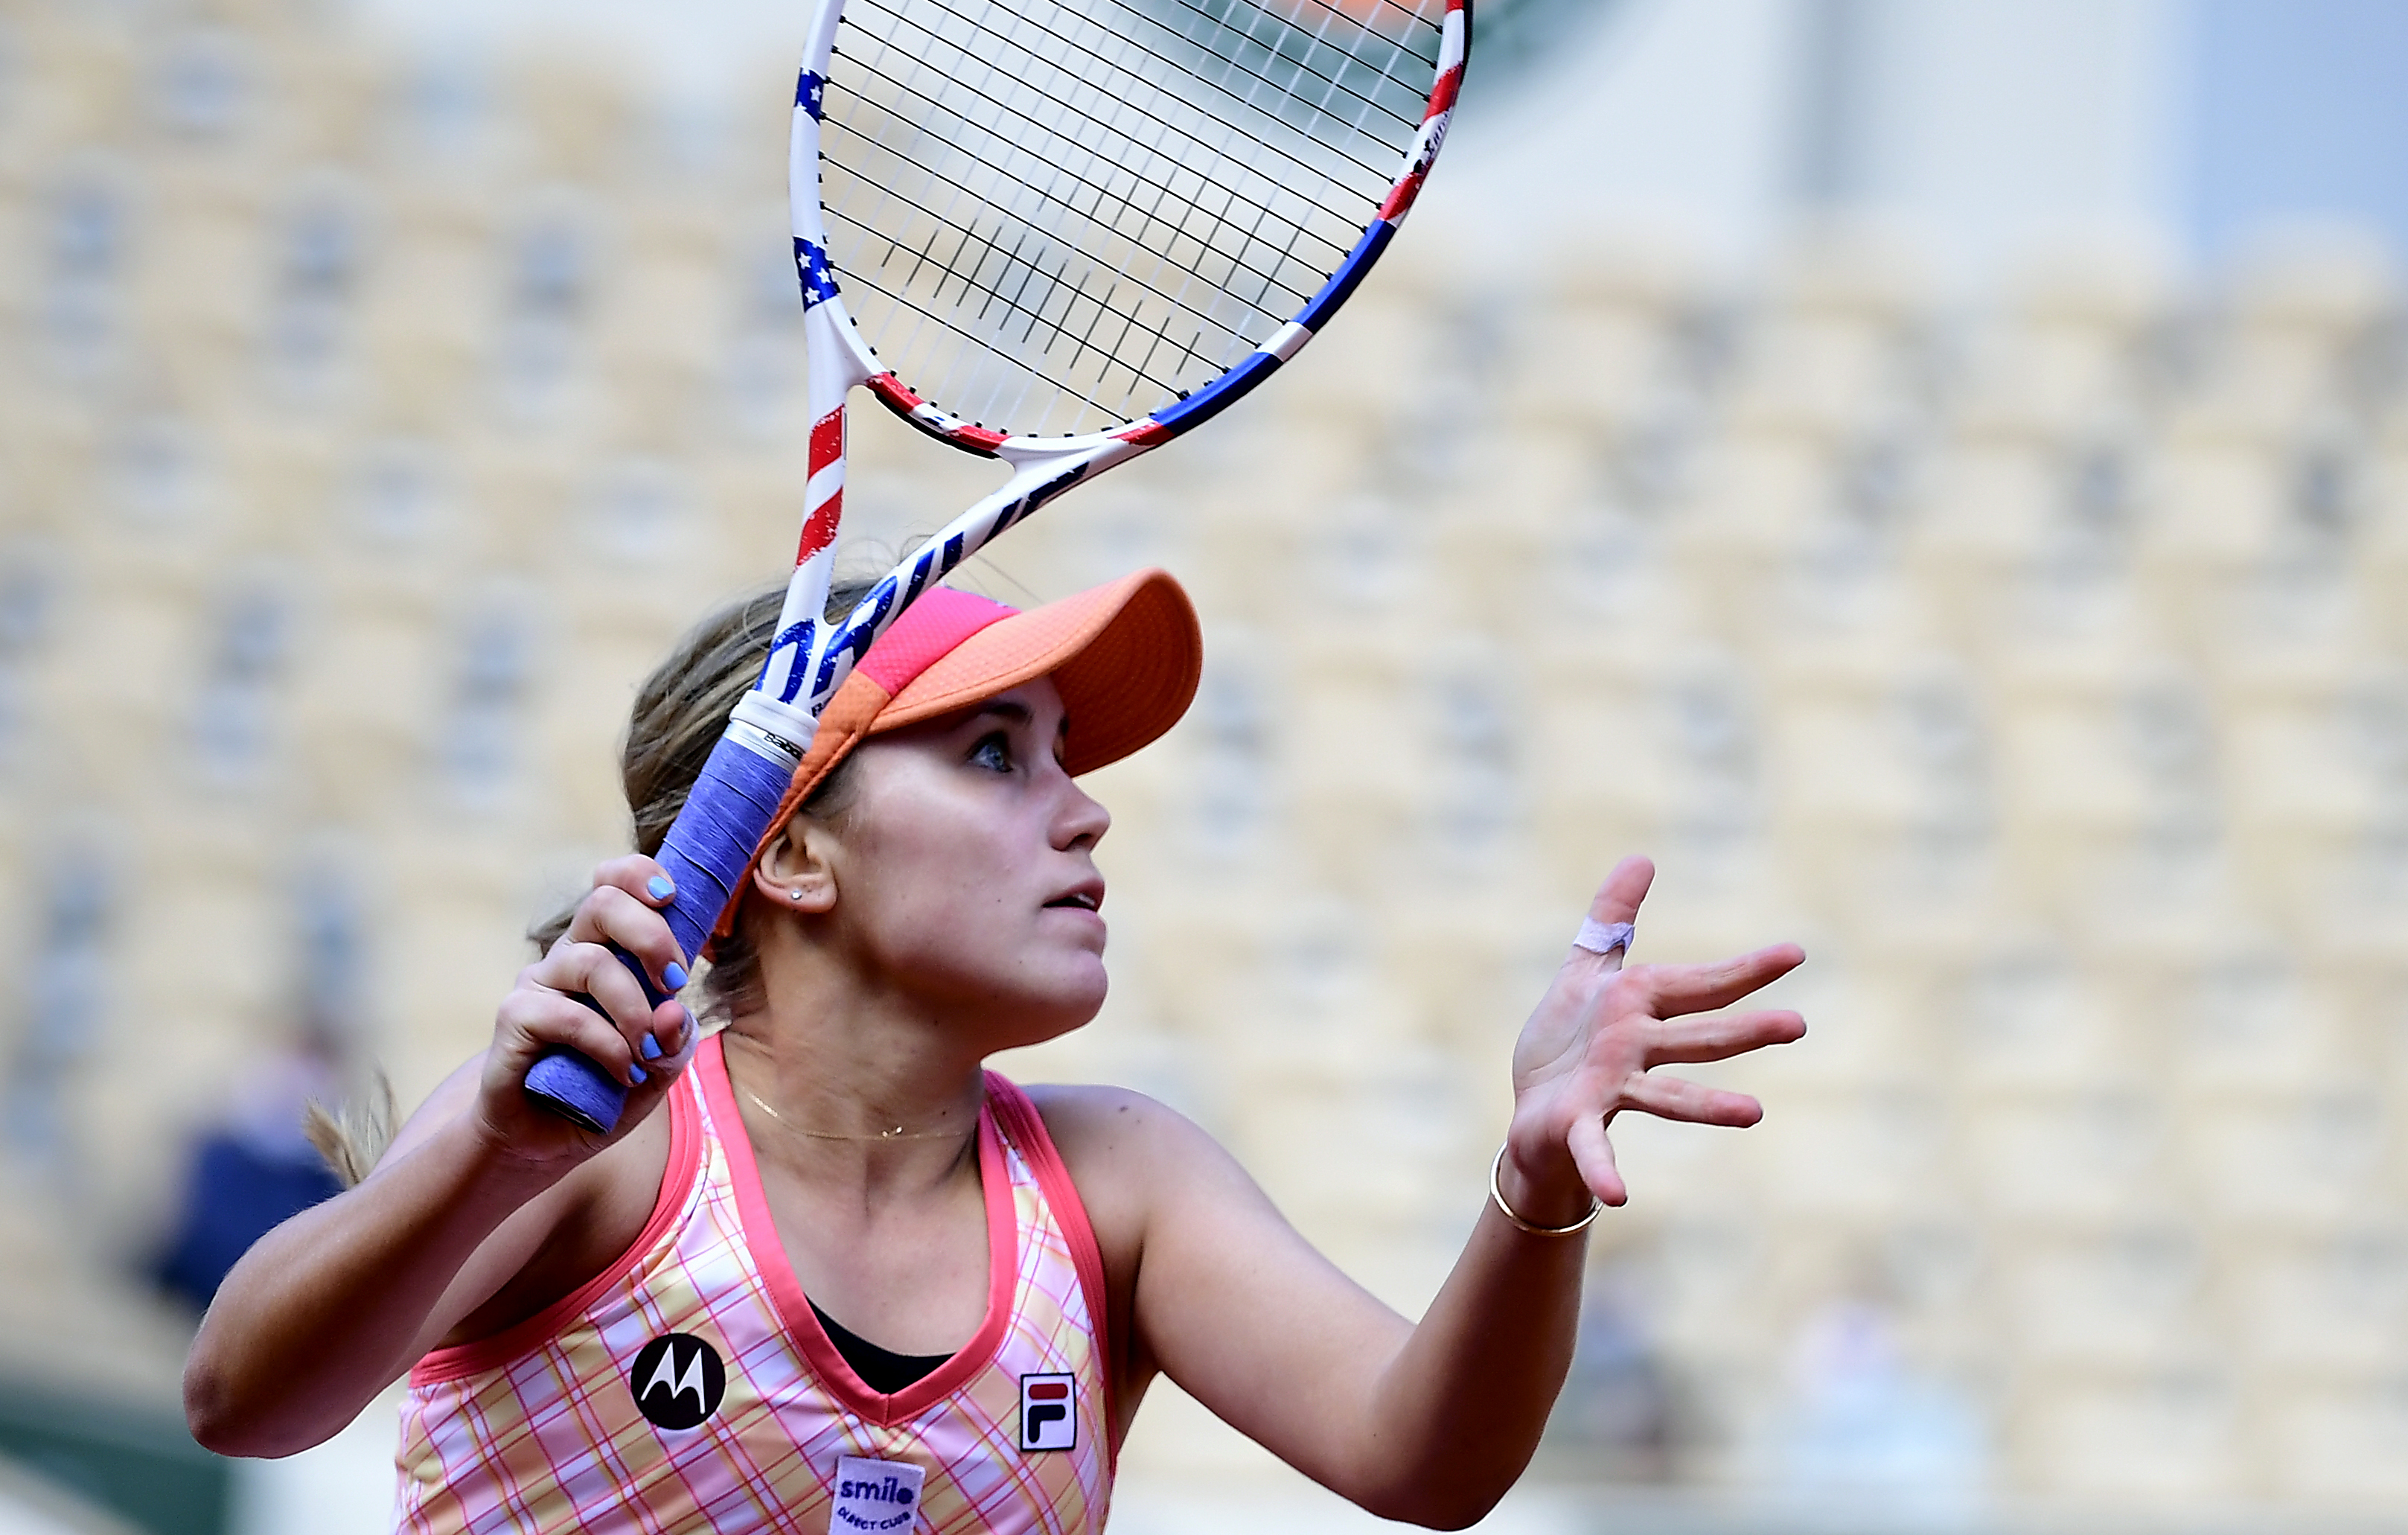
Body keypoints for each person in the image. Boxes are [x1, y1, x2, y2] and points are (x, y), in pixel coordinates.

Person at [182, 569, 1805, 1532]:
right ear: (795, 853)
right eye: (990, 753)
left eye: (1065, 758)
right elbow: (243, 1397)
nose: (1085, 808)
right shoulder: (595, 1141)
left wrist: (1534, 1186)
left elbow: (1426, 1460)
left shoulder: (1122, 1185)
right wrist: (487, 1146)